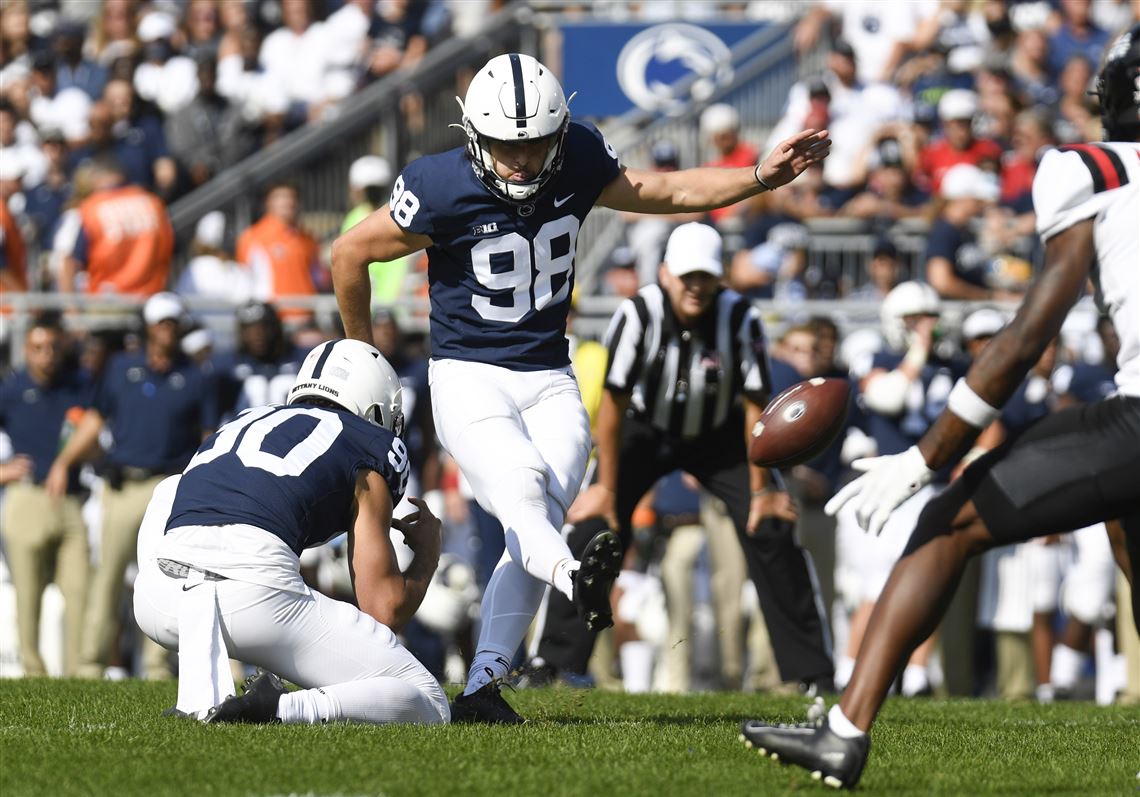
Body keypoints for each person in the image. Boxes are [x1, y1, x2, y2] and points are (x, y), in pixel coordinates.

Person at [330, 52, 830, 723]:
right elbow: (349, 253)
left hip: (549, 374)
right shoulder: (438, 185)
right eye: (507, 147)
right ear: (476, 137)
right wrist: (365, 352)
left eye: (534, 145)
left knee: (534, 518)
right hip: (468, 374)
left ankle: (483, 685)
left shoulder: (580, 157)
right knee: (521, 491)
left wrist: (760, 175)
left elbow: (664, 192)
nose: (521, 162)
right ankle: (575, 578)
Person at [739, 24, 1140, 789]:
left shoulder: (1091, 168)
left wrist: (928, 455)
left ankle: (845, 731)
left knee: (946, 521)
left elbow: (1031, 328)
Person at [564, 222, 834, 690]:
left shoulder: (740, 318)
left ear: (719, 277)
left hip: (719, 434)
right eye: (687, 275)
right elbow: (612, 403)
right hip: (644, 430)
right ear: (666, 273)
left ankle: (812, 673)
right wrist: (606, 487)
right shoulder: (637, 314)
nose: (695, 286)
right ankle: (556, 662)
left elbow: (755, 407)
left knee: (769, 526)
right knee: (594, 528)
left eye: (704, 276)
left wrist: (761, 491)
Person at [132, 339, 449, 725]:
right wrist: (428, 557)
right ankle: (280, 708)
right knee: (428, 699)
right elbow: (383, 608)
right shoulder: (367, 446)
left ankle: (202, 679)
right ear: (375, 406)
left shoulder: (245, 419)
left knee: (169, 487)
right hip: (252, 599)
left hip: (157, 599)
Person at [46, 292, 220, 679]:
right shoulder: (120, 368)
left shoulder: (196, 376)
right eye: (162, 323)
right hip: (122, 486)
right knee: (107, 576)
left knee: (160, 577)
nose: (168, 330)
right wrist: (64, 461)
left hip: (168, 486)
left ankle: (156, 667)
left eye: (174, 323)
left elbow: (209, 436)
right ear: (148, 327)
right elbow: (95, 420)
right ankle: (89, 664)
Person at [0, 314, 94, 675]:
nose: (47, 355)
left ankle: (78, 673)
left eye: (53, 347)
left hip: (71, 499)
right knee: (28, 593)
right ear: (26, 349)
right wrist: (4, 471)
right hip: (27, 497)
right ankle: (32, 669)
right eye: (38, 348)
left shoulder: (78, 386)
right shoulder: (10, 391)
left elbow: (97, 428)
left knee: (79, 588)